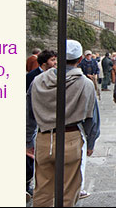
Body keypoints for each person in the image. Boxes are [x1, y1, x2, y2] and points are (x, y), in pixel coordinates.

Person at [27, 39, 100, 207]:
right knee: (69, 190)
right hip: (71, 137)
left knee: (43, 190)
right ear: (80, 59)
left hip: (44, 137)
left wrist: (28, 141)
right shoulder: (85, 84)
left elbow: (29, 113)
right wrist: (91, 142)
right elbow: (92, 118)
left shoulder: (38, 80)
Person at [25, 49, 57, 200]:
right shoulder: (32, 77)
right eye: (52, 60)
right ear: (44, 63)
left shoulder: (58, 75)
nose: (55, 63)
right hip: (35, 121)